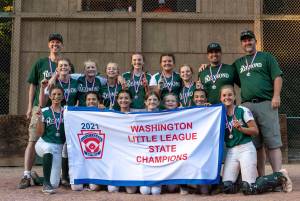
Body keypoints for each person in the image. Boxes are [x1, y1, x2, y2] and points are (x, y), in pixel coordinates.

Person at [232, 30, 287, 178]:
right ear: (241, 44)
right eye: (244, 41)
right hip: (247, 107)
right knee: (255, 145)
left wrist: (276, 95)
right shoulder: (238, 63)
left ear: (255, 41)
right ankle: (261, 178)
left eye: (250, 40)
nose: (247, 43)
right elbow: (226, 75)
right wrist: (205, 66)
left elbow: (277, 76)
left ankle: (277, 177)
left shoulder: (266, 57)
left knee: (273, 142)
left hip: (266, 103)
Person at [220, 85, 292, 195]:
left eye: (230, 95)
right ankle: (241, 180)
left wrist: (241, 128)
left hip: (246, 149)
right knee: (227, 187)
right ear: (220, 98)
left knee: (249, 189)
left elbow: (255, 131)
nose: (227, 97)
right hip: (231, 151)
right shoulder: (220, 114)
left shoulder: (242, 110)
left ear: (235, 97)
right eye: (224, 95)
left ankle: (280, 176)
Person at [18, 33, 64, 189]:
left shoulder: (64, 64)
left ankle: (57, 176)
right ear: (48, 45)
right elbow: (32, 85)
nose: (55, 45)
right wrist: (30, 106)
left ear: (61, 46)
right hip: (41, 107)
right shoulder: (41, 63)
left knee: (60, 142)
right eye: (52, 42)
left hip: (58, 108)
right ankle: (26, 175)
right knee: (32, 139)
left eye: (58, 42)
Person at [39, 57, 78, 187]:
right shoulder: (51, 83)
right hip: (48, 136)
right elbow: (42, 102)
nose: (63, 68)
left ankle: (42, 178)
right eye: (61, 66)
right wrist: (52, 78)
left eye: (66, 65)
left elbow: (93, 76)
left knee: (55, 183)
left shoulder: (76, 80)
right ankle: (45, 181)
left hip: (68, 114)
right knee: (50, 147)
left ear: (70, 68)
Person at [35, 85, 65, 194]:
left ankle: (39, 179)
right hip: (44, 143)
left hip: (59, 146)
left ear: (63, 96)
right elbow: (39, 133)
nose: (56, 96)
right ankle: (46, 184)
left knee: (55, 183)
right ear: (50, 96)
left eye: (59, 94)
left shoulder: (66, 112)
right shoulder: (44, 111)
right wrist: (39, 118)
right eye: (54, 94)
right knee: (49, 148)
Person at [107, 90, 137, 194]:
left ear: (131, 100)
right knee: (112, 189)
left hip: (132, 155)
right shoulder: (111, 115)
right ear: (117, 100)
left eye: (126, 98)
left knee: (131, 190)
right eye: (121, 98)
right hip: (117, 155)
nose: (123, 100)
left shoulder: (138, 115)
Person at [71, 92, 102, 191]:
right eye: (89, 100)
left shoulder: (104, 114)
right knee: (76, 187)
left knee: (94, 187)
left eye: (94, 99)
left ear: (98, 101)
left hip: (98, 156)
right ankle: (65, 177)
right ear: (85, 102)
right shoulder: (79, 114)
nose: (91, 102)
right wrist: (73, 112)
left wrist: (105, 110)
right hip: (83, 155)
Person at [139, 91, 162, 195]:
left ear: (159, 102)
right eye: (149, 99)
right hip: (144, 155)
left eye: (155, 99)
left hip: (160, 153)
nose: (152, 101)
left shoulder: (166, 115)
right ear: (145, 102)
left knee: (156, 191)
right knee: (144, 191)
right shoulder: (138, 116)